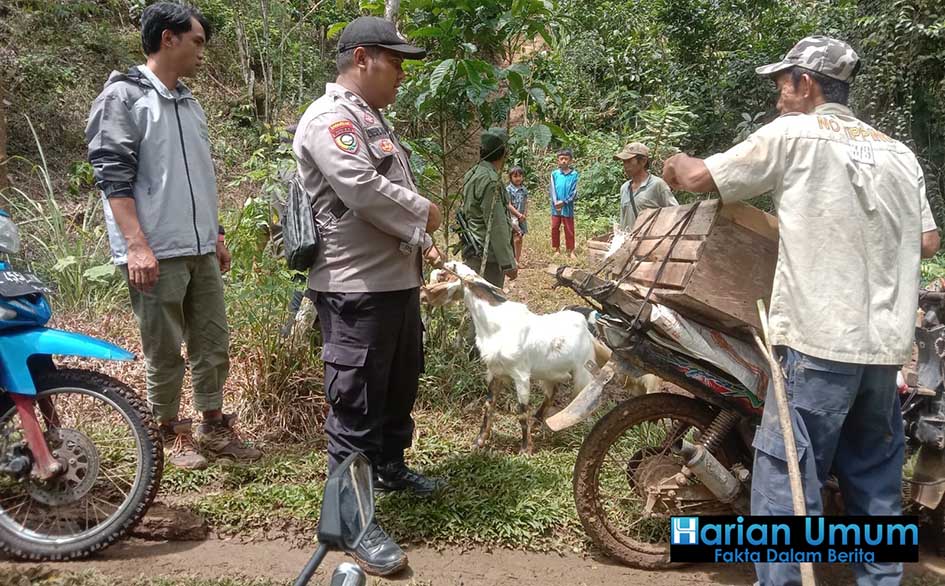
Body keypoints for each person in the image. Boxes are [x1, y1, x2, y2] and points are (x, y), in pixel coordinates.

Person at [663, 36, 940, 586]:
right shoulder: (898, 153)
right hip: (883, 352)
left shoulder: (794, 134)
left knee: (788, 481)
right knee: (875, 487)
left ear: (806, 84)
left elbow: (700, 179)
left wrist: (673, 164)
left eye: (781, 87)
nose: (777, 100)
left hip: (817, 343)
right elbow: (929, 241)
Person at [292, 16, 445, 576]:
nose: (402, 74)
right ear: (362, 58)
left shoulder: (371, 118)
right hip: (355, 285)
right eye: (396, 61)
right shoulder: (330, 118)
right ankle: (353, 522)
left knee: (398, 384)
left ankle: (388, 466)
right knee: (355, 402)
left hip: (394, 280)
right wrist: (421, 212)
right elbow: (357, 186)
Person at [85, 2, 261, 471]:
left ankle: (213, 425)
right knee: (163, 349)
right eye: (197, 41)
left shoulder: (189, 102)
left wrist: (216, 232)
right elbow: (113, 177)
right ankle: (165, 433)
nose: (202, 52)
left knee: (212, 341)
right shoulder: (123, 98)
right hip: (155, 250)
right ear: (169, 39)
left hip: (199, 247)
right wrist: (136, 244)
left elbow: (199, 176)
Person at [460, 129, 517, 288]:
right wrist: (508, 263)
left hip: (473, 249)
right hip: (487, 255)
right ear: (504, 153)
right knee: (488, 305)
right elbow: (496, 225)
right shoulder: (491, 181)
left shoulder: (473, 173)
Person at [614, 142, 678, 230]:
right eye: (624, 161)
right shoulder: (624, 188)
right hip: (628, 241)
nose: (625, 165)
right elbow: (623, 220)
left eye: (629, 161)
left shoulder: (657, 185)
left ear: (643, 161)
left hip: (649, 242)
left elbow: (675, 213)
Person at [549, 148, 579, 258]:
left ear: (570, 161)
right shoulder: (554, 174)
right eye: (561, 159)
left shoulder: (574, 174)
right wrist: (556, 202)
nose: (563, 161)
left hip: (568, 207)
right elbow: (552, 189)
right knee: (554, 228)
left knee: (569, 228)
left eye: (566, 159)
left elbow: (574, 192)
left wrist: (565, 202)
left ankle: (571, 250)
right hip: (555, 207)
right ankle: (556, 249)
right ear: (558, 160)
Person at [507, 166, 529, 264]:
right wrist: (518, 215)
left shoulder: (523, 189)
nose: (518, 178)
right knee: (515, 236)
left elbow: (526, 202)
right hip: (512, 216)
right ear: (511, 178)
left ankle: (517, 260)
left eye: (520, 176)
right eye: (515, 176)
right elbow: (508, 204)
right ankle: (512, 260)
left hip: (521, 217)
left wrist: (524, 215)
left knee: (520, 238)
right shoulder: (508, 190)